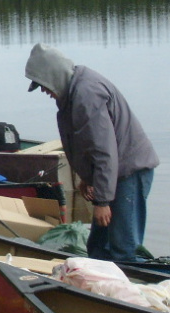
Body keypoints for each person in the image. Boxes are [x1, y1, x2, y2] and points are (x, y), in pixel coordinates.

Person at [25, 43, 159, 262]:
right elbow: (81, 143)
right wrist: (87, 178)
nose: (43, 91)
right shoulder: (71, 93)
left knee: (124, 250)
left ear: (53, 76)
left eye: (42, 84)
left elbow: (104, 151)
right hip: (113, 175)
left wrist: (103, 202)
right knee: (97, 247)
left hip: (129, 173)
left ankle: (134, 291)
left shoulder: (87, 94)